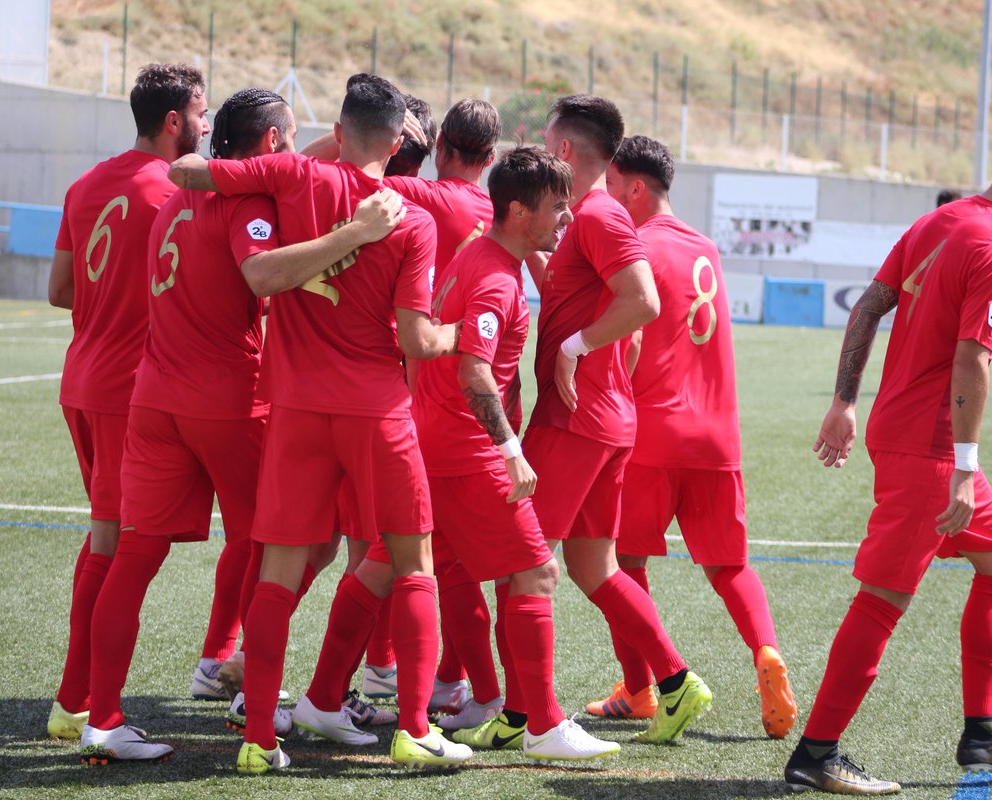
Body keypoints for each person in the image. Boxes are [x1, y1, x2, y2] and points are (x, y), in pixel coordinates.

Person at [73, 88, 406, 764]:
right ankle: (247, 691)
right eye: (286, 140)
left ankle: (100, 716)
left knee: (135, 556)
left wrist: (342, 146)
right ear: (270, 146)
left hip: (153, 397)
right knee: (292, 549)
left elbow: (301, 168)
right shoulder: (244, 204)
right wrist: (356, 231)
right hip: (226, 401)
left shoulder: (175, 201)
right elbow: (260, 276)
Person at [168, 73, 469, 774]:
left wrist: (232, 176)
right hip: (376, 409)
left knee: (279, 570)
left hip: (297, 410)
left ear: (337, 128)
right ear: (398, 144)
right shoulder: (412, 219)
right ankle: (414, 727)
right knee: (412, 561)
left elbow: (186, 170)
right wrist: (468, 337)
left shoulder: (289, 174)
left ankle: (258, 741)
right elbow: (415, 341)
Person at [785, 121, 992, 795]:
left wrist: (844, 401)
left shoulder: (940, 222)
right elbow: (972, 361)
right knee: (884, 600)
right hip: (929, 450)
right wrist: (966, 465)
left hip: (905, 432)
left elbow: (868, 306)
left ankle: (982, 735)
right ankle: (816, 752)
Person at [412, 145, 618, 761]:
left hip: (431, 440)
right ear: (520, 211)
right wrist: (508, 448)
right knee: (535, 571)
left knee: (418, 571)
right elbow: (475, 371)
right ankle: (544, 724)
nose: (567, 217)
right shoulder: (497, 276)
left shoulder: (472, 256)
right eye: (558, 207)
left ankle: (331, 699)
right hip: (467, 447)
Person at [302, 96, 502, 717]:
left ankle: (329, 685)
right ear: (491, 159)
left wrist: (355, 142)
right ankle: (443, 688)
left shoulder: (421, 199)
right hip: (478, 393)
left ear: (437, 151)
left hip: (396, 391)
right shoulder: (498, 213)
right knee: (443, 554)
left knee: (362, 547)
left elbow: (339, 173)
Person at [524, 94, 712, 745]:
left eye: (549, 142)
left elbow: (643, 303)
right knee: (593, 568)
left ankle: (530, 717)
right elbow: (603, 309)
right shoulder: (586, 217)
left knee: (525, 559)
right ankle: (677, 681)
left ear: (568, 150)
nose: (545, 151)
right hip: (606, 417)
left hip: (576, 420)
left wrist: (575, 350)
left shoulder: (600, 213)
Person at [596, 134, 797, 738]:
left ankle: (640, 690)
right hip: (717, 439)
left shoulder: (633, 249)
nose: (607, 198)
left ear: (635, 188)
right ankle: (766, 652)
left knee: (619, 564)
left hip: (652, 436)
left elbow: (628, 342)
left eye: (611, 187)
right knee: (731, 566)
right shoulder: (705, 246)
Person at [45, 62, 211, 741]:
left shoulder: (87, 184)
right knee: (121, 546)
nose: (207, 125)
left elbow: (59, 291)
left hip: (80, 380)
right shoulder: (171, 192)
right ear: (174, 121)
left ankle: (77, 699)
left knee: (108, 538)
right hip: (124, 391)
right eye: (202, 113)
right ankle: (77, 704)